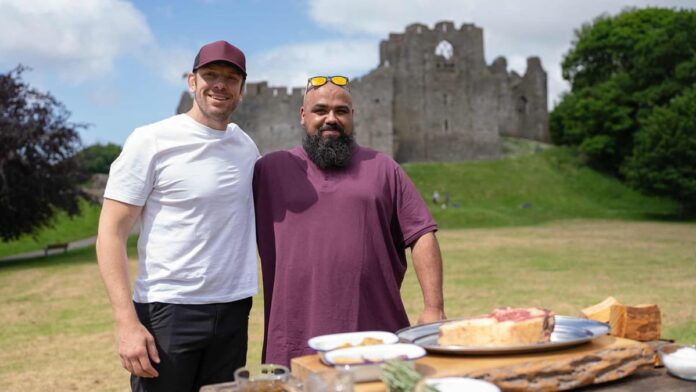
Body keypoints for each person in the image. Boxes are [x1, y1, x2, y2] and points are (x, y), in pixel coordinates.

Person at [96, 40, 259, 392]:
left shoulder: (246, 147)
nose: (220, 84)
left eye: (231, 78)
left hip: (233, 309)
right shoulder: (151, 140)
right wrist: (125, 321)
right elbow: (111, 232)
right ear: (191, 81)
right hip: (169, 310)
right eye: (210, 75)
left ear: (242, 90)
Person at [253, 75, 446, 366]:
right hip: (294, 339)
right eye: (320, 110)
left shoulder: (383, 169)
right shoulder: (269, 170)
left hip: (376, 337)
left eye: (341, 111)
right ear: (302, 116)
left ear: (352, 116)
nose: (331, 118)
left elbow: (421, 234)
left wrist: (434, 307)